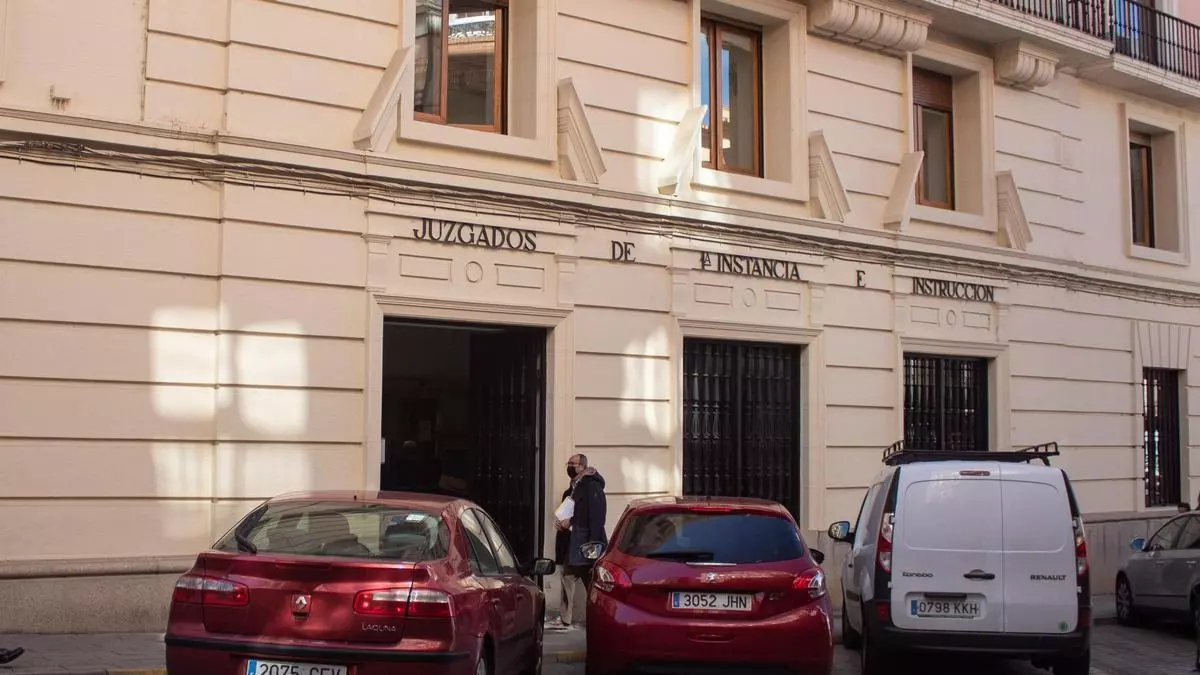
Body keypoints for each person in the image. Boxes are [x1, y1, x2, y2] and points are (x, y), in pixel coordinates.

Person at [546, 454, 607, 631]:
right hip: (574, 544)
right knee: (568, 576)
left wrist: (572, 524)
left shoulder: (592, 486)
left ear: (582, 466)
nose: (569, 466)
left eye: (572, 464)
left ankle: (598, 617)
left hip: (587, 543)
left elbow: (596, 517)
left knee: (590, 581)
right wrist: (563, 525)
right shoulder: (574, 488)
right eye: (569, 463)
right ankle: (566, 618)